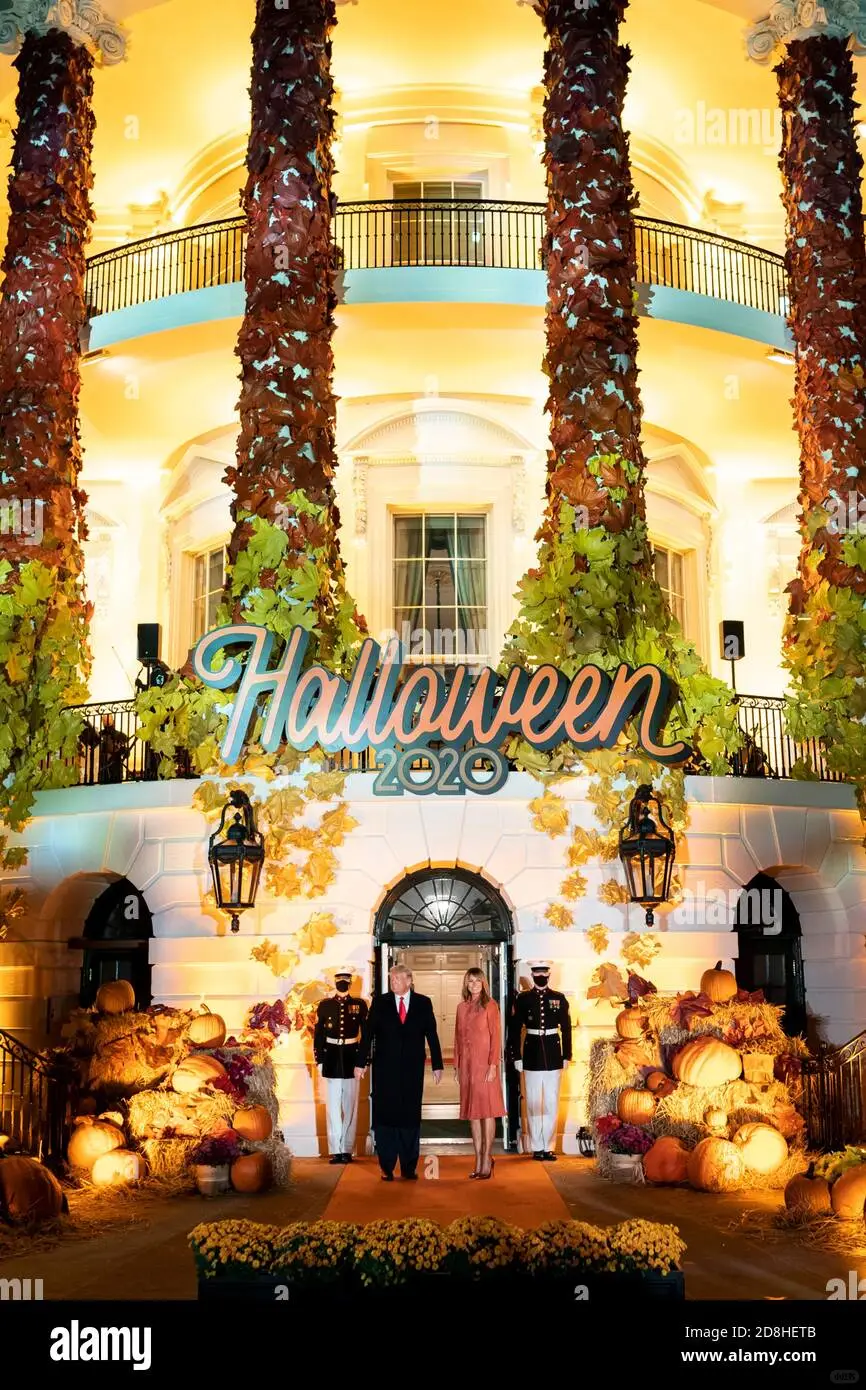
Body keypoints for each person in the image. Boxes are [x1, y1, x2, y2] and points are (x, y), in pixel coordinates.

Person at [357, 964, 443, 1181]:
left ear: (409, 981)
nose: (393, 982)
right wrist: (360, 1062)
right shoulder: (380, 1002)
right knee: (386, 1117)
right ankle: (386, 1167)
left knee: (409, 1117)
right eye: (391, 979)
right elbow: (368, 1034)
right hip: (385, 1071)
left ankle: (408, 1167)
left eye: (397, 979)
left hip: (412, 1071)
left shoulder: (423, 1003)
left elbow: (432, 1034)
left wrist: (437, 1064)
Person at [507, 959, 572, 1161]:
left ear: (549, 975)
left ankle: (549, 1147)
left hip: (553, 1054)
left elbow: (566, 1028)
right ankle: (537, 1146)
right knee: (534, 1102)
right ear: (533, 975)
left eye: (544, 973)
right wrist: (516, 1056)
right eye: (537, 973)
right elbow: (514, 1029)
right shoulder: (523, 999)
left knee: (552, 1102)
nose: (541, 976)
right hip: (532, 1054)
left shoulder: (559, 998)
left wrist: (566, 1055)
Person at [454, 967, 505, 1180]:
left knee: (487, 1111)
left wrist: (493, 1065)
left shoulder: (490, 1006)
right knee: (473, 1114)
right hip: (467, 1067)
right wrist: (457, 1066)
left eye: (477, 981)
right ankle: (477, 1159)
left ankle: (487, 1158)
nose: (474, 984)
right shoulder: (461, 1007)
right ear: (466, 984)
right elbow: (457, 1038)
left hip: (485, 1065)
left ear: (484, 983)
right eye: (470, 981)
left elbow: (496, 1037)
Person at [313, 966, 368, 1165]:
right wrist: (319, 1059)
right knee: (332, 1108)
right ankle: (336, 1150)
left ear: (350, 983)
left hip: (352, 1059)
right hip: (331, 1058)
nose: (342, 984)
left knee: (350, 1107)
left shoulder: (360, 1005)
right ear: (335, 983)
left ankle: (347, 1149)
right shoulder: (325, 1005)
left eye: (345, 981)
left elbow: (366, 1035)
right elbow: (319, 1034)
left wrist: (363, 1061)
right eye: (339, 981)